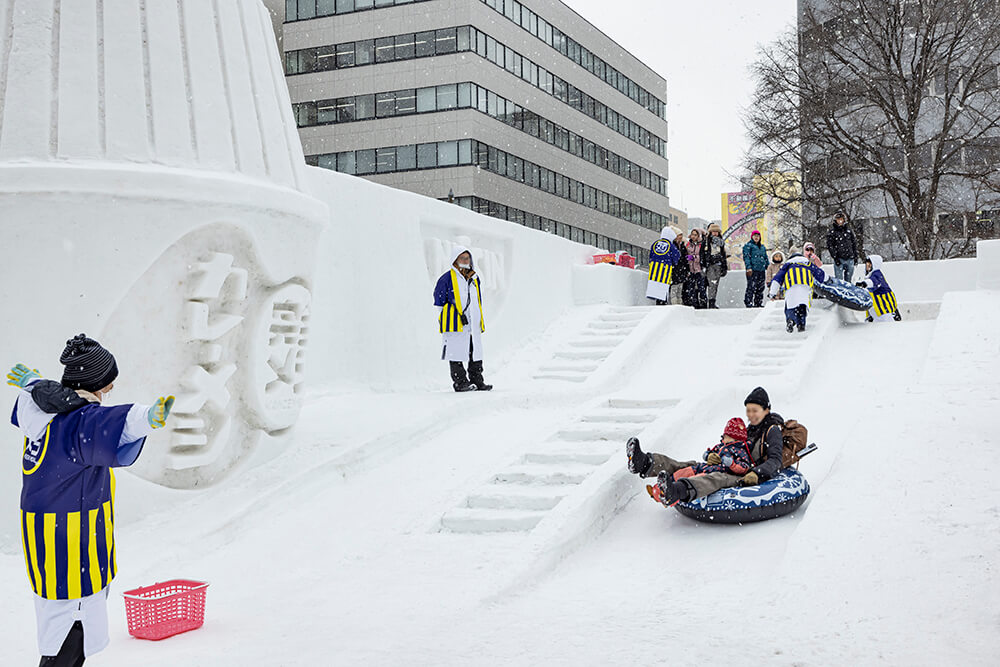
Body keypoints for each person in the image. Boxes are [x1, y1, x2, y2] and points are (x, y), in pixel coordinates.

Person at [6, 335, 174, 666]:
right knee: (71, 631)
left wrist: (35, 383)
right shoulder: (77, 424)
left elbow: (57, 400)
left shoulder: (42, 408)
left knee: (57, 623)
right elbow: (114, 424)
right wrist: (148, 418)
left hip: (45, 535)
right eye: (108, 382)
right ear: (99, 383)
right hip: (73, 543)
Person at [626, 387, 785, 505]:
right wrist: (711, 456)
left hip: (744, 473)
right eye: (748, 410)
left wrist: (756, 473)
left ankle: (676, 491)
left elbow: (775, 460)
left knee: (714, 478)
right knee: (692, 466)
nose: (750, 415)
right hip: (727, 465)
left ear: (767, 410)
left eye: (755, 410)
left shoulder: (772, 430)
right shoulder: (750, 428)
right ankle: (644, 463)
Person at [434, 246, 491, 392]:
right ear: (455, 260)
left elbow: (477, 300)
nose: (465, 261)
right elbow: (439, 301)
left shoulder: (474, 277)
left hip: (472, 322)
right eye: (462, 258)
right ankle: (460, 382)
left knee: (475, 351)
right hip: (455, 322)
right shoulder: (447, 278)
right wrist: (448, 317)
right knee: (456, 351)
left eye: (467, 258)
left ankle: (477, 380)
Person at [669, 417, 753, 480]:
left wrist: (732, 464)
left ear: (735, 438)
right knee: (690, 470)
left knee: (698, 478)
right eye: (724, 435)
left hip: (718, 473)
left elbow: (744, 467)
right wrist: (708, 456)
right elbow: (711, 452)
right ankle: (670, 481)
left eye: (727, 436)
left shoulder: (740, 450)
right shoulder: (720, 446)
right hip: (707, 467)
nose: (724, 438)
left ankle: (678, 488)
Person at [768, 253, 828, 333]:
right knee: (802, 307)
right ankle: (801, 324)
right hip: (805, 287)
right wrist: (828, 280)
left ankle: (790, 319)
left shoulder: (787, 265)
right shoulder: (807, 264)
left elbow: (777, 279)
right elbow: (820, 274)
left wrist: (772, 293)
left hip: (791, 286)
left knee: (790, 306)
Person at [857, 254, 902, 322]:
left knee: (886, 326)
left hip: (884, 310)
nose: (867, 267)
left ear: (874, 265)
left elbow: (874, 282)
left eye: (870, 265)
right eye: (867, 265)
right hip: (878, 311)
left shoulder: (877, 274)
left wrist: (865, 283)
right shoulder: (870, 276)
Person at [644, 226, 680, 306]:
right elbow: (676, 257)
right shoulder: (671, 245)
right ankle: (663, 303)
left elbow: (650, 255)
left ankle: (658, 302)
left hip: (654, 269)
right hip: (665, 269)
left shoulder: (655, 243)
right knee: (664, 288)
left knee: (655, 288)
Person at [825, 212, 859, 282]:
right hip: (839, 259)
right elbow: (830, 246)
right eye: (838, 219)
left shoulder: (849, 231)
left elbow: (854, 244)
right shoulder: (832, 233)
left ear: (844, 220)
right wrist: (835, 257)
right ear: (835, 221)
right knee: (839, 280)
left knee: (849, 280)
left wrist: (855, 256)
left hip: (850, 258)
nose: (840, 221)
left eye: (841, 219)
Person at [703, 224, 728, 309]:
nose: (715, 233)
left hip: (719, 264)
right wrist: (705, 262)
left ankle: (712, 301)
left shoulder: (721, 242)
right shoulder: (706, 241)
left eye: (717, 232)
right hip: (710, 265)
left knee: (715, 284)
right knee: (711, 284)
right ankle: (710, 302)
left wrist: (724, 266)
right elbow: (703, 253)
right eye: (713, 231)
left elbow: (723, 254)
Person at [742, 230, 768, 308]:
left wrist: (768, 266)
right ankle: (748, 302)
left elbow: (765, 258)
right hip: (753, 270)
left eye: (758, 236)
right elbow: (746, 257)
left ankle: (758, 302)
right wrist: (748, 267)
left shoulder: (762, 247)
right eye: (755, 236)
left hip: (761, 270)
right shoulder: (748, 246)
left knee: (760, 287)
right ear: (752, 237)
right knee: (751, 287)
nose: (756, 237)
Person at [682, 229, 707, 309]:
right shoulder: (688, 244)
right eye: (692, 234)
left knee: (701, 288)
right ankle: (694, 304)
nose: (693, 236)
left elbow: (703, 256)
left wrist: (694, 257)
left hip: (699, 269)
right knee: (691, 288)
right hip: (690, 269)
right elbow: (685, 254)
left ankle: (703, 304)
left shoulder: (702, 244)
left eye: (695, 235)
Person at [668, 227, 688, 305]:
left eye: (681, 235)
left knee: (680, 289)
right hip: (675, 271)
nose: (680, 237)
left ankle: (679, 304)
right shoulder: (672, 246)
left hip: (682, 271)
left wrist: (692, 257)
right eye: (679, 235)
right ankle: (674, 305)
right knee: (674, 289)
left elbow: (686, 257)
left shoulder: (682, 246)